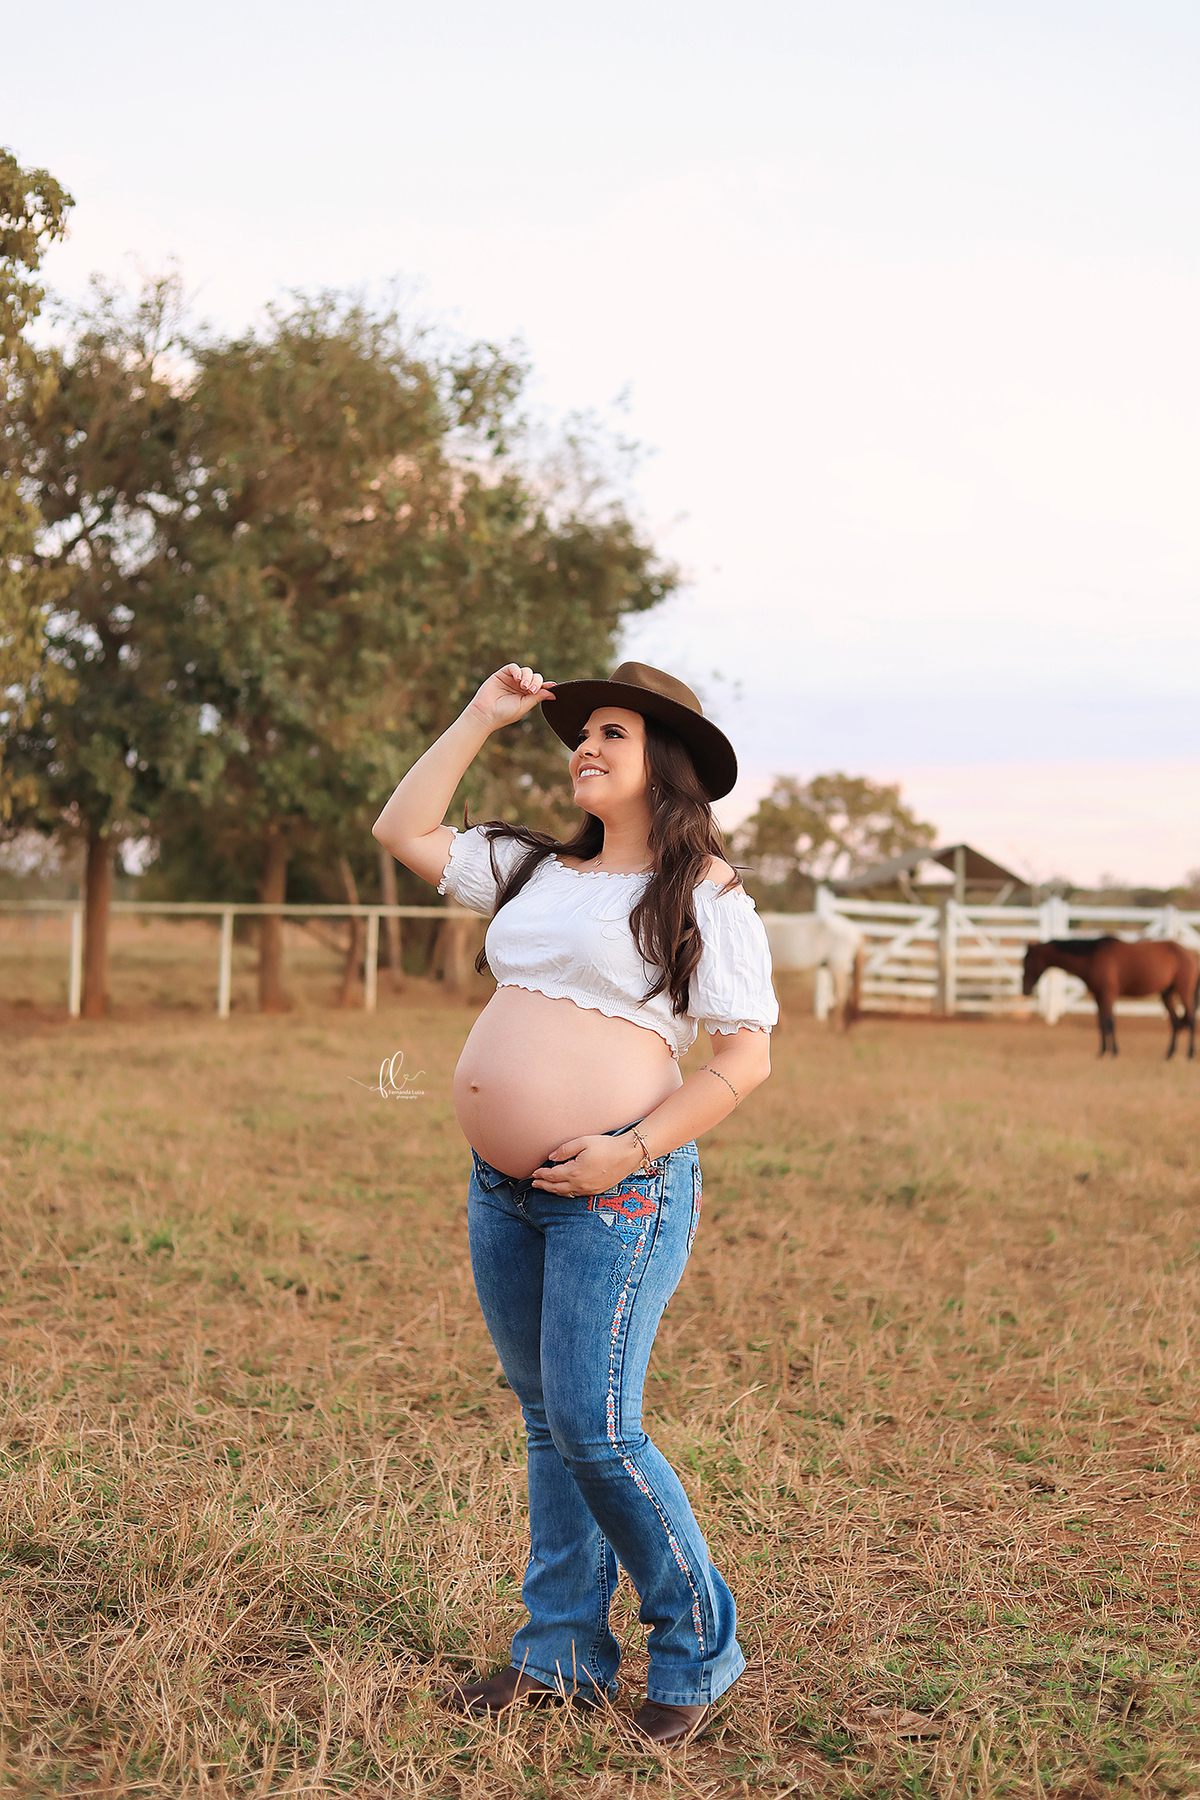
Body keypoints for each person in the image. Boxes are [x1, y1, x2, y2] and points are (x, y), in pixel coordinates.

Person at [373, 659, 777, 1745]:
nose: (585, 747)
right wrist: (479, 714)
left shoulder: (703, 893)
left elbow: (743, 1061)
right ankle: (558, 1657)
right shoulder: (534, 870)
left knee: (598, 1431)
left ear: (666, 764)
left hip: (621, 1192)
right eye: (579, 734)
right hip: (502, 1192)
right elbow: (405, 830)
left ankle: (699, 1649)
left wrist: (624, 1150)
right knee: (550, 1426)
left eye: (613, 733)